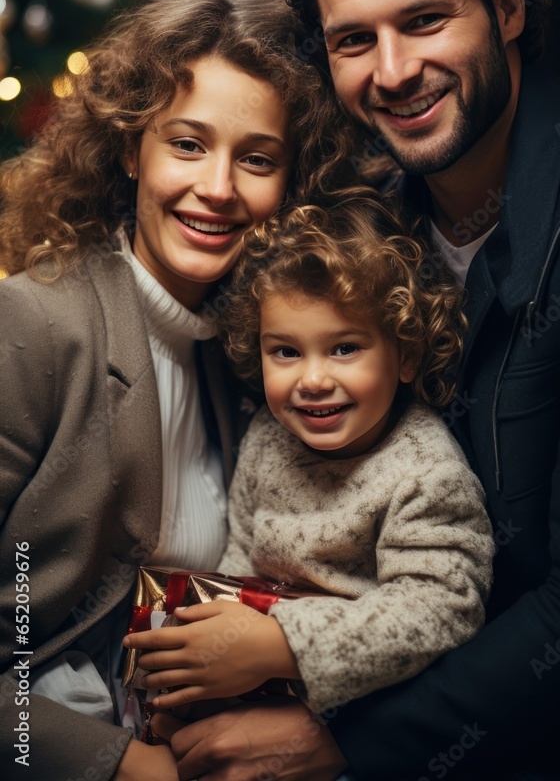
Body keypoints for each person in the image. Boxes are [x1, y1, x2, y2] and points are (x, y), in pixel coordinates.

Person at [156, 0, 560, 781]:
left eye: (424, 21)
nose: (393, 71)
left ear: (506, 10)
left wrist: (343, 748)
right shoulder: (361, 228)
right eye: (352, 39)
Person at [0, 0, 348, 781]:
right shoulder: (33, 326)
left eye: (256, 159)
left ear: (289, 183)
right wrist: (111, 763)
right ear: (131, 148)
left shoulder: (259, 357)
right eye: (187, 144)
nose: (218, 189)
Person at [124, 191, 493, 722]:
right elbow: (239, 559)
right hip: (254, 687)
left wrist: (282, 646)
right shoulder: (268, 439)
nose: (313, 380)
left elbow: (441, 608)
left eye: (344, 348)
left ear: (406, 355)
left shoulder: (426, 471)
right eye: (287, 352)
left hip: (361, 711)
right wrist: (206, 646)